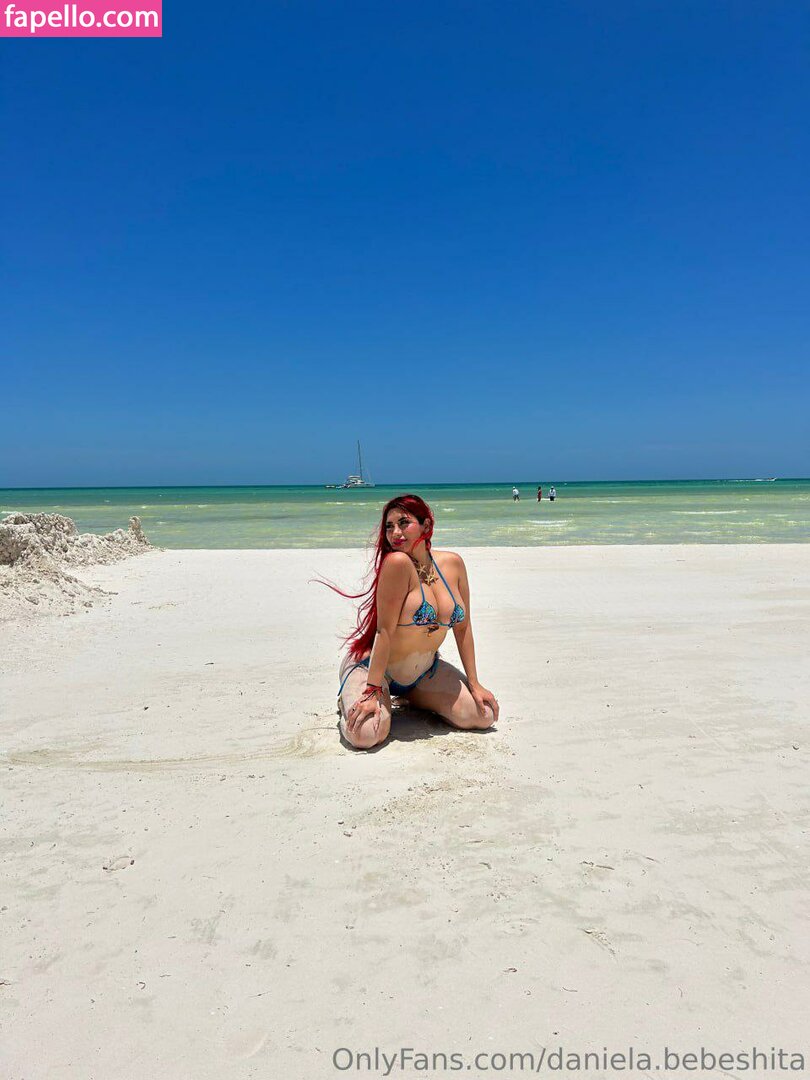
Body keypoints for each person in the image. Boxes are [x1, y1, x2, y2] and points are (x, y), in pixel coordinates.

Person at [329, 494, 499, 750]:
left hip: (423, 673)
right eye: (389, 526)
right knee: (365, 734)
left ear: (426, 525)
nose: (395, 533)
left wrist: (474, 683)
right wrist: (372, 692)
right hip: (374, 669)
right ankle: (351, 699)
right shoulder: (397, 564)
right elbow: (384, 632)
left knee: (484, 714)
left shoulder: (453, 564)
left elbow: (463, 628)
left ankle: (413, 699)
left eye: (403, 523)